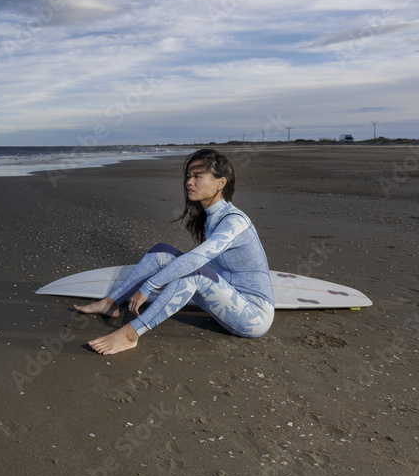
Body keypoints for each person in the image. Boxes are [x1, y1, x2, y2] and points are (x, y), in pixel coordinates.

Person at [75, 149, 274, 355]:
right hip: (227, 298)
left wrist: (149, 286)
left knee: (191, 272)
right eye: (189, 176)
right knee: (163, 251)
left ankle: (130, 334)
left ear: (220, 183)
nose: (189, 181)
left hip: (252, 318)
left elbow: (196, 259)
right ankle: (110, 302)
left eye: (198, 176)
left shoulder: (235, 221)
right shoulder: (212, 217)